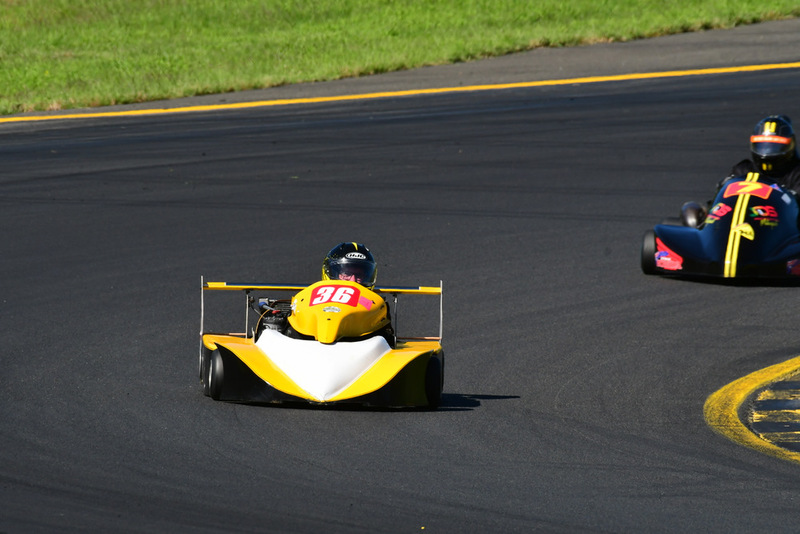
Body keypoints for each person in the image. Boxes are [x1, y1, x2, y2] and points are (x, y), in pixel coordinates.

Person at [256, 242, 394, 345]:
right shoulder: (311, 294)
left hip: (361, 339)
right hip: (304, 340)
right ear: (330, 272)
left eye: (359, 275)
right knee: (275, 325)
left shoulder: (371, 301)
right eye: (346, 273)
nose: (352, 280)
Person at [681, 115, 800, 227]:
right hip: (735, 227)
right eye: (763, 146)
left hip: (781, 231)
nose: (767, 151)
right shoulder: (743, 170)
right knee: (688, 213)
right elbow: (721, 200)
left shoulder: (796, 174)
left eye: (775, 147)